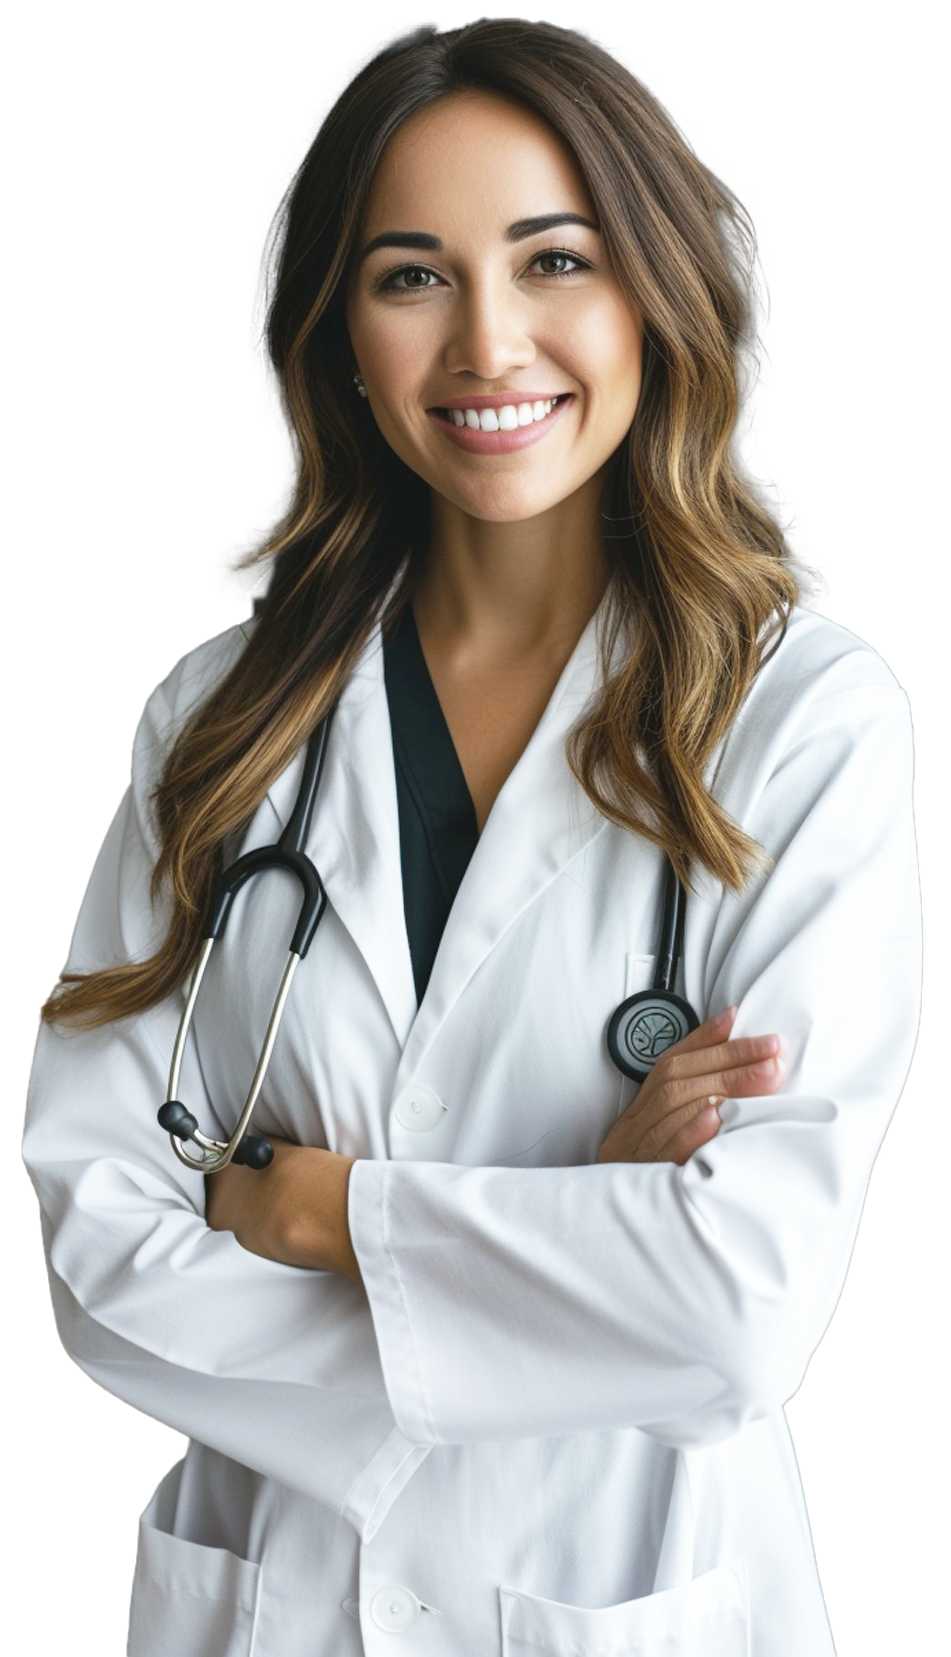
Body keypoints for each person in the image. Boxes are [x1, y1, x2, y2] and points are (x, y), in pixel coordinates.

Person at [24, 18, 920, 1656]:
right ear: (338, 333)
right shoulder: (217, 722)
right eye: (410, 276)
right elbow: (98, 1249)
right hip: (271, 1601)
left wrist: (320, 1213)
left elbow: (740, 1310)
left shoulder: (805, 721)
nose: (487, 345)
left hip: (631, 1596)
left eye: (553, 259)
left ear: (656, 290)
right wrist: (566, 1241)